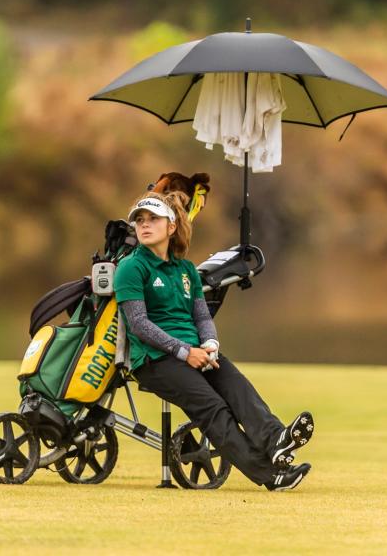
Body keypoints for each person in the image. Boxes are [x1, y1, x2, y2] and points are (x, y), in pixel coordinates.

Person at [113, 191, 314, 491]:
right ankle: (270, 476)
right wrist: (184, 352)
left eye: (153, 219)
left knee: (238, 388)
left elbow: (202, 317)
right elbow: (139, 324)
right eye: (140, 220)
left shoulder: (185, 271)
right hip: (153, 360)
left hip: (194, 353)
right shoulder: (131, 267)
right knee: (212, 407)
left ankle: (276, 441)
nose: (144, 225)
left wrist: (210, 345)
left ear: (170, 227)